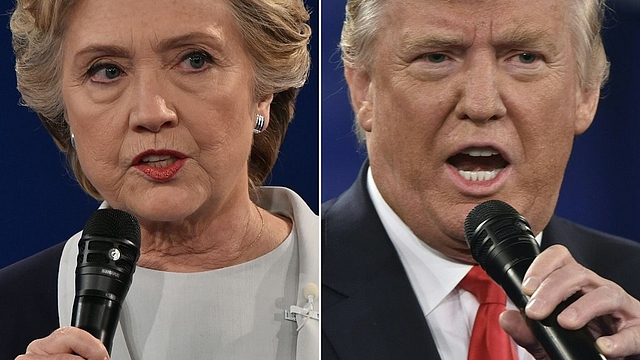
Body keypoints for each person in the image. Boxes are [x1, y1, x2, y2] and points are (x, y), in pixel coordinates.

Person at [322, 0, 640, 359]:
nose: (481, 103)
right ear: (364, 89)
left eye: (525, 58)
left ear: (586, 93)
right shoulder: (291, 285)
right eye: (436, 57)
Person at [0, 0, 319, 359]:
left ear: (263, 94)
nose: (152, 113)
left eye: (195, 60)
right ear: (64, 110)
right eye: (106, 70)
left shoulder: (361, 273)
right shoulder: (8, 312)